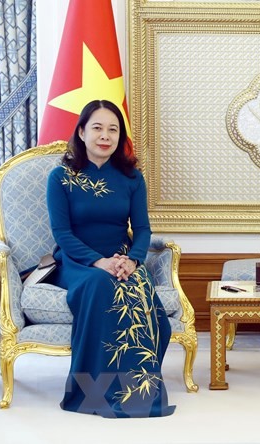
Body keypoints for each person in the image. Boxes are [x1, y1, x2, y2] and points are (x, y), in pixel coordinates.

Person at [46, 99, 175, 418]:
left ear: (120, 137)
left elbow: (143, 229)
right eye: (98, 128)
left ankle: (137, 393)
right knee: (100, 284)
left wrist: (132, 261)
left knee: (139, 298)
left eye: (113, 129)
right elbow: (62, 233)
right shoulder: (60, 177)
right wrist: (99, 262)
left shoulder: (132, 178)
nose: (105, 135)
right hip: (77, 262)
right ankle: (93, 393)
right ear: (81, 132)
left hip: (122, 257)